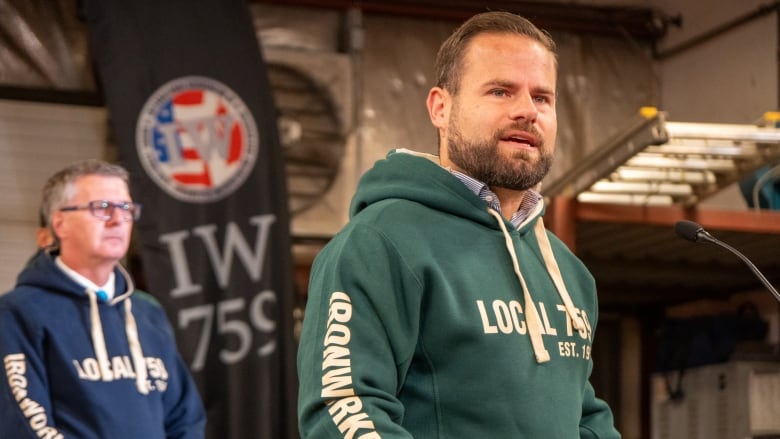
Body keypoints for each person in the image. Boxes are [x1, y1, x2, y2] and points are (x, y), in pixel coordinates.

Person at [297, 11, 621, 438]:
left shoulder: (569, 273)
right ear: (440, 108)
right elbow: (344, 407)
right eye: (501, 91)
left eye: (543, 98)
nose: (527, 111)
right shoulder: (379, 243)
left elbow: (584, 419)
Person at [0, 159, 206, 438]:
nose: (118, 219)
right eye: (101, 208)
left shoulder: (148, 313)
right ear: (60, 223)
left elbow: (186, 417)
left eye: (126, 208)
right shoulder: (19, 312)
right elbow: (25, 422)